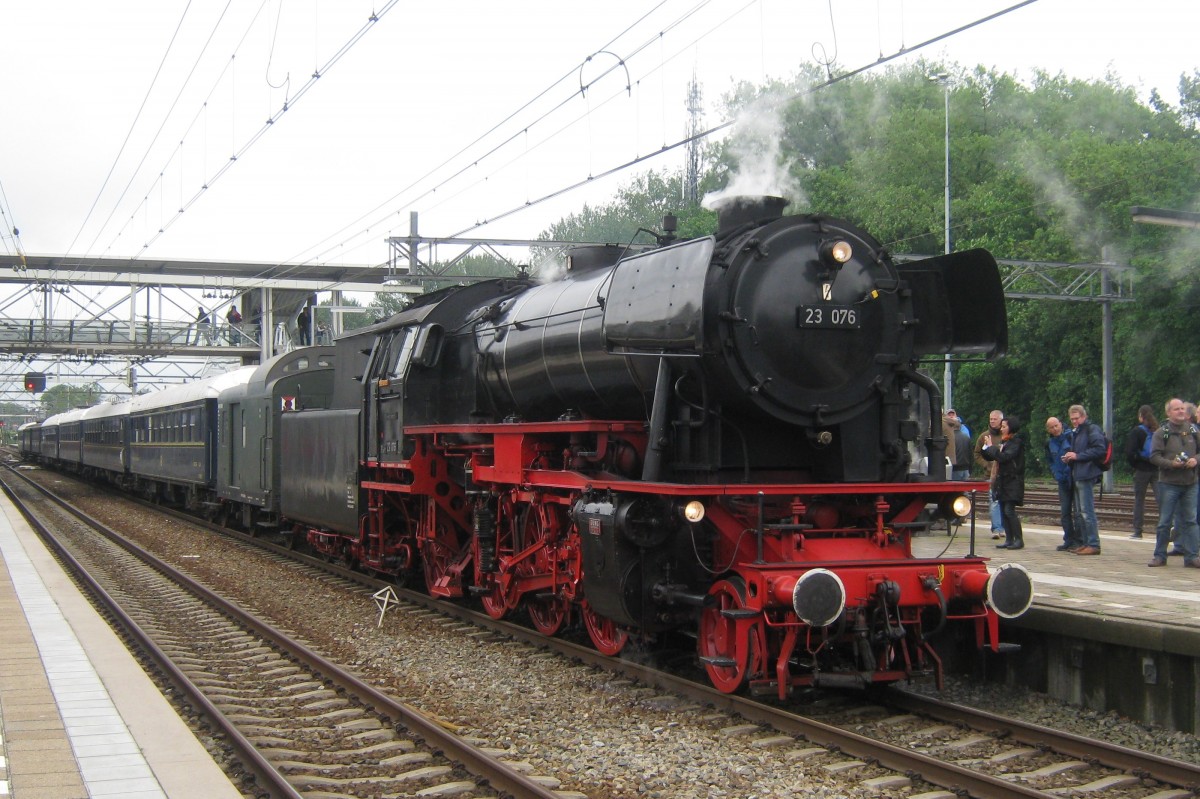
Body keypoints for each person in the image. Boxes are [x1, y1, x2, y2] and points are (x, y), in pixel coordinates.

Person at [1147, 397, 1200, 568]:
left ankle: (1192, 556)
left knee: (1191, 520)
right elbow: (1154, 457)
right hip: (1169, 483)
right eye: (1177, 409)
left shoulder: (1193, 430)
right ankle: (1160, 556)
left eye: (1182, 408)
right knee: (1165, 521)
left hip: (1190, 482)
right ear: (1168, 412)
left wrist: (1196, 460)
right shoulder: (1161, 433)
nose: (1181, 411)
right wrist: (1171, 464)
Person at [1061, 404, 1105, 555]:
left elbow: (1099, 449)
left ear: (1084, 417)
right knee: (1080, 512)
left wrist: (1077, 456)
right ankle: (1085, 543)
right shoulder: (1077, 432)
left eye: (1077, 418)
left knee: (1087, 511)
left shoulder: (1092, 429)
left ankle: (1093, 544)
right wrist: (1070, 458)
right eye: (1072, 419)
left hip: (1087, 474)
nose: (1074, 421)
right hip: (1078, 473)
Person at [981, 415, 1026, 550]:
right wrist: (986, 448)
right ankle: (1009, 539)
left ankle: (1018, 539)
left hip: (1012, 481)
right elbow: (993, 456)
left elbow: (1004, 457)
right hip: (1003, 482)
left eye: (1004, 426)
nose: (1001, 429)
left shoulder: (1016, 442)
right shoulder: (1005, 442)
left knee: (1009, 510)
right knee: (1003, 510)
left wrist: (991, 447)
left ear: (1011, 427)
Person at [1124, 404, 1159, 539]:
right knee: (1161, 500)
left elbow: (1130, 452)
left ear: (1140, 416)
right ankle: (1166, 529)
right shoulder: (1157, 430)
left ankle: (1138, 531)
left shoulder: (1137, 431)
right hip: (1156, 468)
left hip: (1141, 470)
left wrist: (1135, 464)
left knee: (1139, 500)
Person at [1044, 416, 1078, 551]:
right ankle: (1068, 539)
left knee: (1078, 512)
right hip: (1062, 480)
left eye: (1056, 426)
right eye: (1051, 427)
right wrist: (1055, 473)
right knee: (1065, 512)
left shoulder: (1071, 437)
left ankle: (1079, 540)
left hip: (1074, 477)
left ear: (1061, 424)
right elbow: (1050, 460)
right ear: (1048, 430)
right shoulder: (1049, 443)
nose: (1055, 429)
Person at [973, 409, 1005, 539]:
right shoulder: (984, 436)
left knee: (1005, 502)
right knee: (994, 501)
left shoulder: (1006, 435)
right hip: (991, 475)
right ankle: (997, 528)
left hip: (1005, 474)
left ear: (1001, 420)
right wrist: (987, 465)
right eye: (991, 419)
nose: (992, 421)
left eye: (995, 419)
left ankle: (1003, 527)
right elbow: (977, 454)